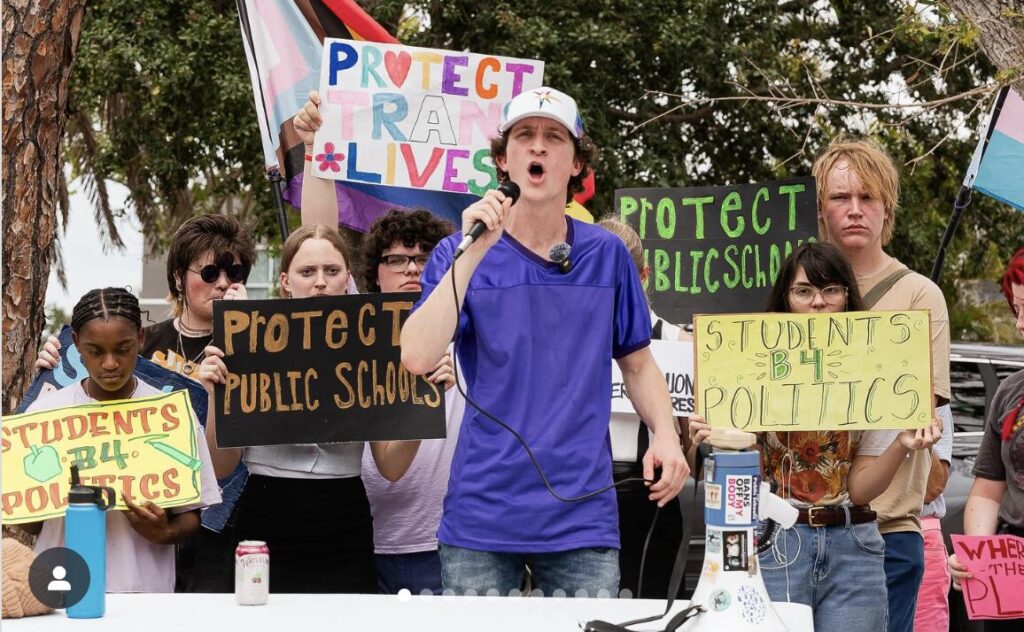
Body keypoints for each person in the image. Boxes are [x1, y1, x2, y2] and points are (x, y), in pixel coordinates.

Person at [400, 86, 688, 597]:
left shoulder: (608, 255)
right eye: (524, 136)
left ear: (576, 163)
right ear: (502, 159)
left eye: (554, 137)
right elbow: (418, 356)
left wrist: (665, 435)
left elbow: (638, 364)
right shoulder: (457, 250)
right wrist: (473, 251)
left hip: (582, 515)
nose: (538, 147)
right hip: (482, 512)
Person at [687, 242, 942, 631]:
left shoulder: (872, 369)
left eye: (831, 290)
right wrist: (716, 439)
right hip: (777, 540)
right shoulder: (748, 365)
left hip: (852, 541)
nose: (818, 302)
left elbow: (859, 489)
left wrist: (901, 445)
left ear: (846, 297)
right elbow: (742, 477)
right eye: (804, 291)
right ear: (785, 299)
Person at [197, 224, 433, 593]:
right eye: (308, 272)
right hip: (265, 516)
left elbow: (391, 466)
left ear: (347, 279)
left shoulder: (373, 346)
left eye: (331, 271)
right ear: (286, 280)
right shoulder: (247, 342)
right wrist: (215, 397)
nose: (320, 282)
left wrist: (422, 403)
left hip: (345, 520)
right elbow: (222, 466)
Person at [35, 214, 257, 593]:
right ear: (177, 278)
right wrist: (52, 365)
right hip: (121, 542)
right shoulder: (135, 339)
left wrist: (244, 332)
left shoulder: (255, 347)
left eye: (235, 273)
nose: (223, 283)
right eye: (210, 273)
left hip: (217, 527)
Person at [813, 137, 951, 632]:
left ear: (886, 209)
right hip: (801, 531)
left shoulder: (920, 295)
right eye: (841, 197)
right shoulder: (799, 288)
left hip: (886, 531)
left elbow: (919, 401)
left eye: (867, 198)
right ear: (821, 208)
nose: (855, 210)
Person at [24, 287, 221, 592]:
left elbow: (191, 516)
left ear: (141, 339)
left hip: (143, 593)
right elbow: (29, 524)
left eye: (123, 348)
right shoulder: (45, 415)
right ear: (76, 344)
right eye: (95, 351)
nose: (110, 363)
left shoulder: (171, 416)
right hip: (60, 590)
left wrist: (164, 531)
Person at [353, 209, 464, 595]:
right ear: (375, 273)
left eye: (425, 258)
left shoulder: (471, 338)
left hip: (446, 545)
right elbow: (315, 232)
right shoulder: (350, 342)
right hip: (362, 543)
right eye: (396, 259)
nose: (412, 270)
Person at [599, 217, 688, 599]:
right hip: (588, 489)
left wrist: (694, 436)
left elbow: (694, 446)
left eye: (621, 275)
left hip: (654, 492)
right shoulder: (567, 336)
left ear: (643, 276)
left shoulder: (678, 342)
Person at [948, 247, 1024, 631]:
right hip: (1013, 577)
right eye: (1018, 307)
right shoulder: (1011, 392)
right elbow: (987, 493)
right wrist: (978, 556)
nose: (1021, 324)